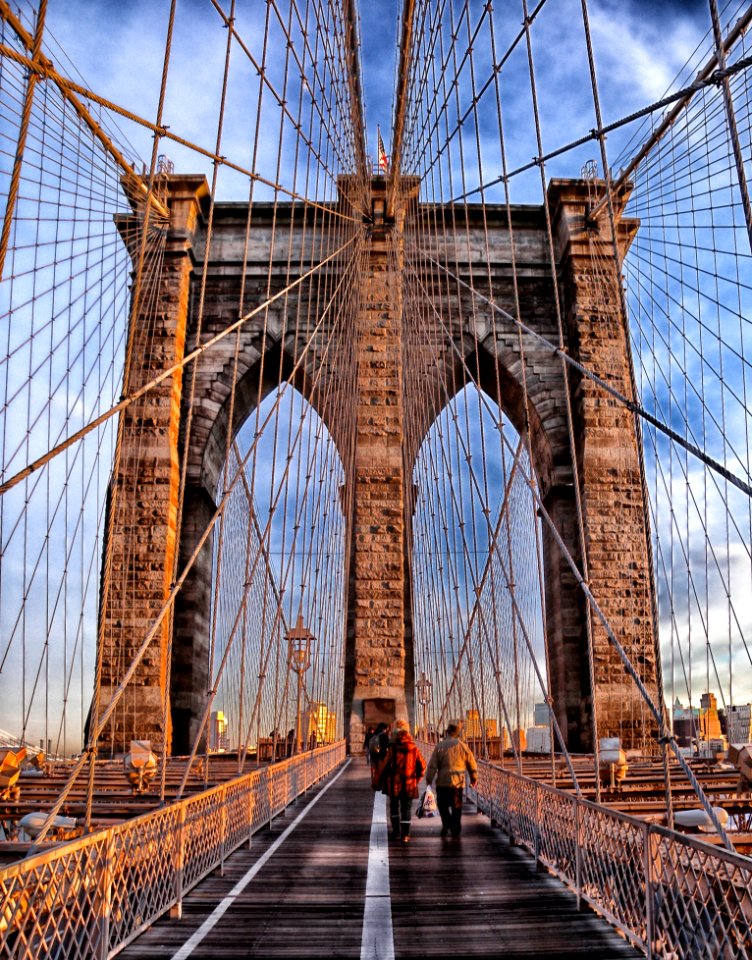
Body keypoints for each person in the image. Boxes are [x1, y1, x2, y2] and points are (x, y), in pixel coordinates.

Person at [425, 722, 478, 838]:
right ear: (458, 734)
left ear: (447, 732)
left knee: (442, 805)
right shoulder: (463, 746)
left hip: (442, 782)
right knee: (456, 806)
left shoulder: (440, 746)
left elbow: (433, 765)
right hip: (457, 783)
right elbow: (472, 765)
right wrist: (474, 778)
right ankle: (456, 829)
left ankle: (446, 823)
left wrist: (429, 779)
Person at [380, 719, 426, 843]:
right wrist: (417, 779)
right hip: (409, 784)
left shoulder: (393, 749)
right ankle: (405, 834)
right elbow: (422, 766)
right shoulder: (414, 749)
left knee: (394, 807)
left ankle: (396, 832)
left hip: (394, 783)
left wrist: (378, 781)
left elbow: (384, 766)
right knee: (406, 808)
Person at [368, 722, 391, 789]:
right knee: (381, 770)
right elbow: (387, 745)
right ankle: (380, 785)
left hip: (373, 755)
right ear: (384, 729)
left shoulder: (373, 734)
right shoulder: (384, 735)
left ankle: (375, 784)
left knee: (375, 771)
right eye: (386, 729)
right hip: (381, 756)